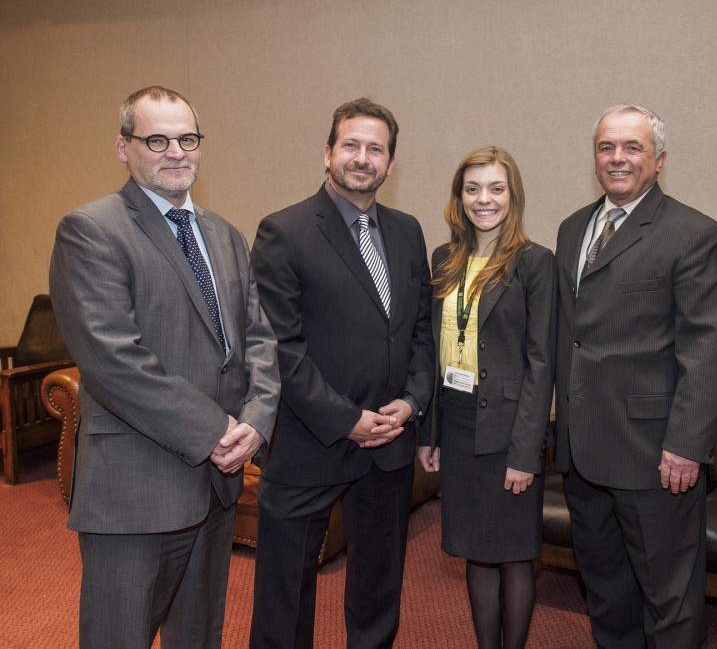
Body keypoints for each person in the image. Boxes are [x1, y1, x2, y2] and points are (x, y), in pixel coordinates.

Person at [48, 86, 281, 649]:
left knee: (199, 636)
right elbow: (113, 359)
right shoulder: (92, 230)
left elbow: (259, 339)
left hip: (217, 483)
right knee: (118, 637)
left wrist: (256, 420)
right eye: (157, 139)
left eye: (187, 138)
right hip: (137, 488)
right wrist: (216, 431)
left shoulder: (224, 234)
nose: (176, 151)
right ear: (123, 148)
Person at [249, 98, 435, 649]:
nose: (362, 158)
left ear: (390, 163)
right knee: (285, 595)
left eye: (375, 149)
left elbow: (421, 330)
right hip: (309, 443)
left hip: (389, 444)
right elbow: (281, 347)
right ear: (327, 152)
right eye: (350, 145)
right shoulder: (284, 231)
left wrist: (413, 400)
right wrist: (346, 419)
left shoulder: (407, 231)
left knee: (379, 589)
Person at [554, 104, 717, 648]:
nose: (617, 158)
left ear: (658, 159)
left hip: (655, 457)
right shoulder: (571, 229)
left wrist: (686, 444)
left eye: (631, 148)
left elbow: (709, 349)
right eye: (607, 147)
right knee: (607, 595)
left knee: (670, 602)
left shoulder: (693, 234)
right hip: (583, 452)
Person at [418, 146, 555, 649]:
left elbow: (542, 364)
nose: (484, 199)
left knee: (514, 553)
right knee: (475, 549)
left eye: (496, 188)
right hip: (455, 423)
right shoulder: (445, 259)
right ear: (459, 196)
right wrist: (429, 433)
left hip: (508, 428)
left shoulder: (534, 263)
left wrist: (527, 452)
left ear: (512, 195)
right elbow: (435, 353)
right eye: (472, 188)